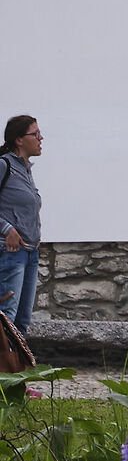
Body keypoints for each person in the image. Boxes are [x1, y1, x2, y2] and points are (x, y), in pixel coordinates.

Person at [0, 116, 43, 334]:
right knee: (7, 316)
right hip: (11, 252)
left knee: (22, 321)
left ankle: (17, 367)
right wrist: (8, 230)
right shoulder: (3, 165)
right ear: (19, 140)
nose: (40, 138)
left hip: (30, 252)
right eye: (34, 134)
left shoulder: (26, 169)